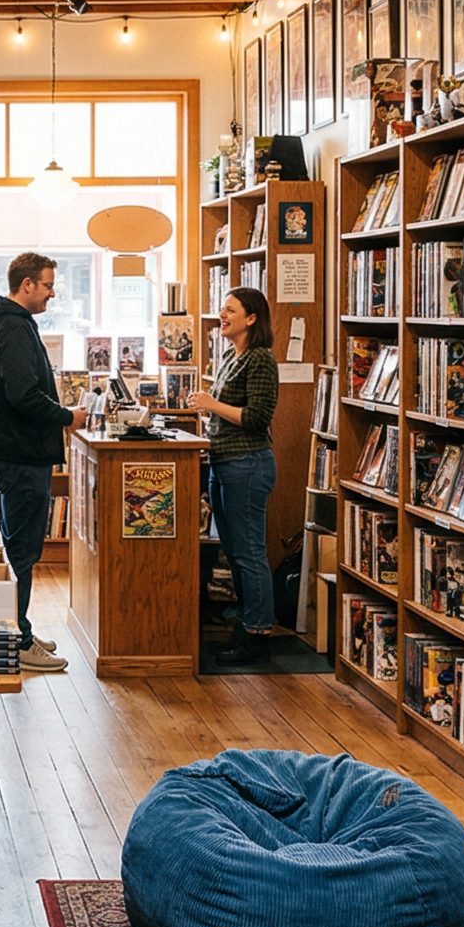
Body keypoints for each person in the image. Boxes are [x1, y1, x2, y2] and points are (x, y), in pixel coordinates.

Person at [0, 253, 77, 674]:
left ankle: (21, 629)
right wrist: (69, 416)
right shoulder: (13, 328)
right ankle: (16, 639)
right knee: (23, 549)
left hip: (11, 452)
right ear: (27, 285)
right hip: (20, 453)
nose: (53, 293)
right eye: (48, 285)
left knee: (18, 545)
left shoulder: (2, 323)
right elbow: (23, 395)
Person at [192, 286, 280, 667]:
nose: (222, 315)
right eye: (222, 309)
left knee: (249, 552)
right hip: (224, 462)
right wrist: (210, 413)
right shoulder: (231, 355)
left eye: (230, 310)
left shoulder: (260, 359)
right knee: (235, 551)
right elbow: (228, 412)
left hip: (247, 463)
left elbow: (258, 417)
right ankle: (243, 626)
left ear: (251, 318)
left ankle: (258, 634)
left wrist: (211, 405)